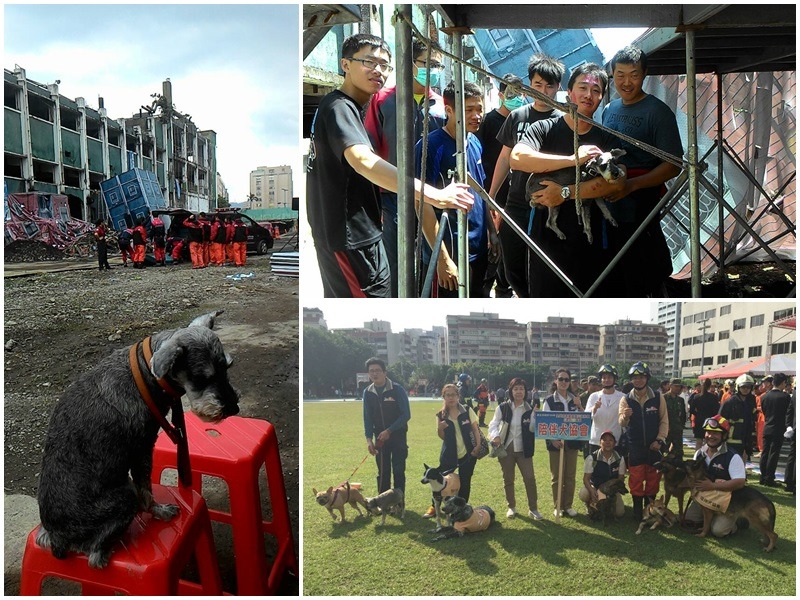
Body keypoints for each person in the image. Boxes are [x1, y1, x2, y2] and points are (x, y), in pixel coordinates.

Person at [307, 33, 473, 298]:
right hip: (351, 237)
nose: (378, 71)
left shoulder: (353, 107)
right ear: (345, 65)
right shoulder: (340, 107)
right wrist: (435, 194)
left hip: (364, 231)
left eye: (384, 65)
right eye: (369, 62)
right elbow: (364, 160)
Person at [510, 62, 627, 297]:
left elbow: (618, 180)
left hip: (591, 240)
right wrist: (574, 159)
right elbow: (518, 158)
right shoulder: (544, 128)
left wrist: (565, 193)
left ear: (602, 97)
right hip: (546, 241)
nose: (588, 95)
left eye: (596, 90)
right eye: (583, 87)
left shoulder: (606, 137)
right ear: (570, 93)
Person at [364, 38, 446, 297]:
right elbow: (369, 149)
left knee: (432, 260)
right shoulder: (383, 100)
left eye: (438, 66)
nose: (433, 70)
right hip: (393, 197)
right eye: (427, 63)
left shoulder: (442, 106)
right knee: (397, 261)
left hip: (434, 197)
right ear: (410, 64)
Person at [601, 45, 683, 297]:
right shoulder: (609, 109)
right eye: (620, 74)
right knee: (616, 269)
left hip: (641, 201)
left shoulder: (658, 112)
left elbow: (673, 165)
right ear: (612, 74)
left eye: (634, 75)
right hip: (610, 201)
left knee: (647, 266)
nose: (626, 82)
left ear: (645, 74)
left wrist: (633, 186)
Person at [491, 53, 565, 297]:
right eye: (537, 84)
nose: (542, 91)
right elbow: (504, 159)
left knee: (544, 267)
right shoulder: (518, 116)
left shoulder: (563, 121)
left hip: (549, 204)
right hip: (516, 203)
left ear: (558, 88)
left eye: (549, 86)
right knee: (512, 265)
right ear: (529, 84)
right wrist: (491, 197)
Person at [415, 81, 497, 298]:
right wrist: (441, 261)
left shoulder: (475, 142)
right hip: (449, 253)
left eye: (480, 109)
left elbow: (480, 192)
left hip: (477, 250)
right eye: (469, 110)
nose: (476, 115)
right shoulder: (430, 147)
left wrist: (492, 232)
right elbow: (421, 204)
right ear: (449, 110)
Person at [476, 73, 524, 298]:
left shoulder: (523, 119)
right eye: (512, 94)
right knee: (490, 244)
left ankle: (504, 289)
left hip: (514, 195)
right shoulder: (487, 121)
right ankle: (486, 289)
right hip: (490, 194)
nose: (517, 98)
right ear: (501, 95)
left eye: (521, 93)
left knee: (508, 246)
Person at [618, 361, 668, 521]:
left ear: (647, 378)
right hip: (635, 446)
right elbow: (621, 423)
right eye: (634, 377)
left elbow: (664, 421)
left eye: (641, 377)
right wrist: (625, 416)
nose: (638, 380)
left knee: (653, 479)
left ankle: (651, 510)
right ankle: (638, 511)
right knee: (636, 479)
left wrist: (660, 440)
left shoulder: (658, 397)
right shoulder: (625, 399)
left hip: (654, 446)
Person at [684, 415, 747, 537]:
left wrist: (712, 485)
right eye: (708, 432)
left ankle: (738, 521)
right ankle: (711, 517)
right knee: (689, 519)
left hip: (727, 502)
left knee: (718, 531)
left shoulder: (732, 456)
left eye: (716, 433)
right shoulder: (699, 453)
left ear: (724, 436)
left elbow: (740, 482)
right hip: (705, 497)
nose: (710, 436)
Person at [488, 377, 541, 520]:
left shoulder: (530, 408)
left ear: (526, 391)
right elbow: (493, 424)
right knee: (508, 478)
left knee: (530, 478)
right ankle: (511, 507)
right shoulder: (503, 407)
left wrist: (535, 416)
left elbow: (532, 429)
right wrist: (495, 436)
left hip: (524, 449)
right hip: (506, 448)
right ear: (511, 391)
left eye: (521, 389)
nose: (519, 392)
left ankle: (533, 509)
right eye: (516, 389)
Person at [362, 357, 410, 494]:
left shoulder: (397, 389)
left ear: (385, 372)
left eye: (378, 370)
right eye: (371, 371)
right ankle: (383, 502)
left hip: (398, 436)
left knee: (398, 470)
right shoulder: (368, 392)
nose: (374, 374)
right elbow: (367, 417)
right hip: (380, 438)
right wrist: (369, 439)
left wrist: (390, 430)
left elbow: (406, 414)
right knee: (383, 470)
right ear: (368, 374)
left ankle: (398, 502)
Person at [430, 384, 481, 508]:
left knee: (465, 481)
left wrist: (478, 445)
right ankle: (434, 506)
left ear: (458, 396)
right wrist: (440, 429)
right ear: (444, 397)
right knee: (440, 481)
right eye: (448, 395)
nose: (451, 398)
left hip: (468, 454)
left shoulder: (467, 410)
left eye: (453, 395)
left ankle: (461, 506)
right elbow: (442, 437)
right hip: (449, 454)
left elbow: (475, 430)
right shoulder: (440, 415)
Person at [543, 368, 583, 517]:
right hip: (556, 445)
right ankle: (558, 506)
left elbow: (583, 420)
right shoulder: (549, 400)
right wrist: (552, 439)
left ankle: (568, 505)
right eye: (561, 379)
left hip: (572, 443)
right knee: (557, 477)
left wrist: (579, 406)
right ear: (556, 381)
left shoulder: (574, 399)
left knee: (570, 476)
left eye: (567, 380)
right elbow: (544, 423)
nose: (564, 382)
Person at [578, 430, 626, 518]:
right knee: (584, 493)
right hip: (595, 487)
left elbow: (621, 479)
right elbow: (586, 479)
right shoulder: (592, 458)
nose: (607, 442)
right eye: (604, 440)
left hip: (612, 490)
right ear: (600, 443)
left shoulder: (620, 459)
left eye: (610, 440)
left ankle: (606, 503)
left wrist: (611, 491)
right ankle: (589, 503)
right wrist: (592, 491)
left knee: (619, 513)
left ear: (615, 443)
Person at [759, 373, 792, 487]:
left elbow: (764, 411)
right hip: (779, 428)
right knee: (774, 453)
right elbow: (788, 413)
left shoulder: (764, 396)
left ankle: (762, 476)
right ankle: (769, 478)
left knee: (765, 452)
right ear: (783, 383)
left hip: (767, 426)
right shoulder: (785, 397)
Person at [585, 365, 625, 456]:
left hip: (615, 439)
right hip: (597, 439)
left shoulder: (622, 397)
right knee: (595, 468)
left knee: (614, 468)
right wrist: (594, 408)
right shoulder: (594, 396)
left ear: (615, 379)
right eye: (604, 377)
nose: (607, 380)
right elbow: (586, 416)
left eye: (610, 377)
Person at [719, 374, 756, 461]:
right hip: (732, 437)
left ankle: (741, 473)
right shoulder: (730, 402)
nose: (746, 389)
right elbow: (721, 419)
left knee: (744, 455)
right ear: (738, 387)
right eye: (743, 387)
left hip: (746, 435)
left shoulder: (751, 400)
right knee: (731, 458)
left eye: (748, 387)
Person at [689, 379, 721, 451]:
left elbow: (691, 410)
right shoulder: (713, 397)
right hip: (710, 421)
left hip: (699, 420)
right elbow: (717, 410)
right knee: (708, 441)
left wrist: (697, 414)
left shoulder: (696, 397)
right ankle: (706, 457)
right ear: (710, 386)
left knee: (699, 442)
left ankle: (697, 458)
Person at [664, 377, 688, 457]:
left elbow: (683, 415)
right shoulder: (663, 398)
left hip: (677, 429)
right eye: (676, 386)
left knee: (678, 452)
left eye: (679, 386)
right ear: (670, 386)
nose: (678, 388)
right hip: (666, 429)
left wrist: (681, 425)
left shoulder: (680, 400)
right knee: (663, 451)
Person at [784, 388, 795, 495]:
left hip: (794, 429)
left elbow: (789, 411)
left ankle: (789, 482)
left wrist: (789, 426)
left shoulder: (795, 393)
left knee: (792, 456)